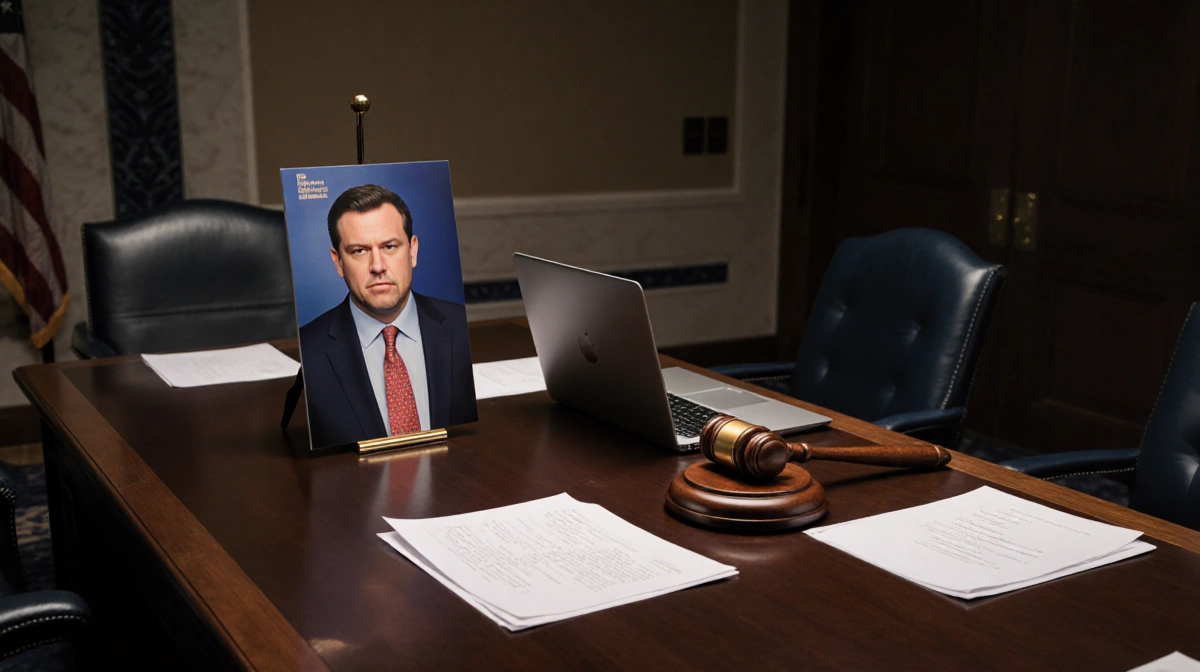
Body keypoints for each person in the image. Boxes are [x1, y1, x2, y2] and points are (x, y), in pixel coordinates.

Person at [299, 184, 476, 448]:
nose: (378, 266)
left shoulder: (461, 328)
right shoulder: (309, 350)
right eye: (359, 251)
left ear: (412, 250)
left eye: (390, 246)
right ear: (338, 262)